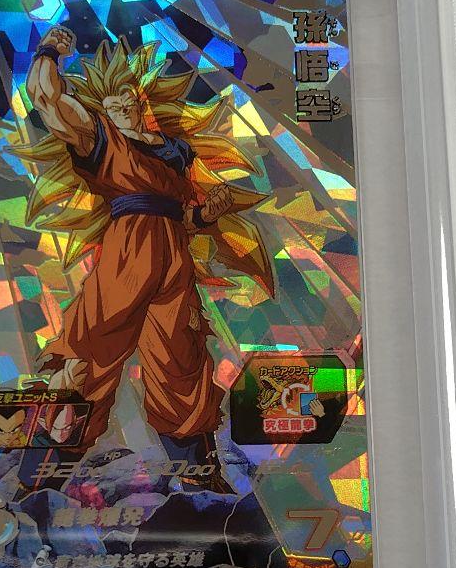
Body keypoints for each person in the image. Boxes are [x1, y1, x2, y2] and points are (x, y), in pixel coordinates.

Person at [17, 27, 273, 490]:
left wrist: (206, 214)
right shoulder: (100, 140)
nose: (120, 108)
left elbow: (180, 216)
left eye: (127, 101)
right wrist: (50, 50)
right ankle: (38, 484)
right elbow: (46, 98)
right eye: (111, 104)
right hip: (125, 257)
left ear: (139, 103)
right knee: (88, 359)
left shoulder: (174, 153)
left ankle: (201, 482)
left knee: (183, 365)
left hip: (173, 260)